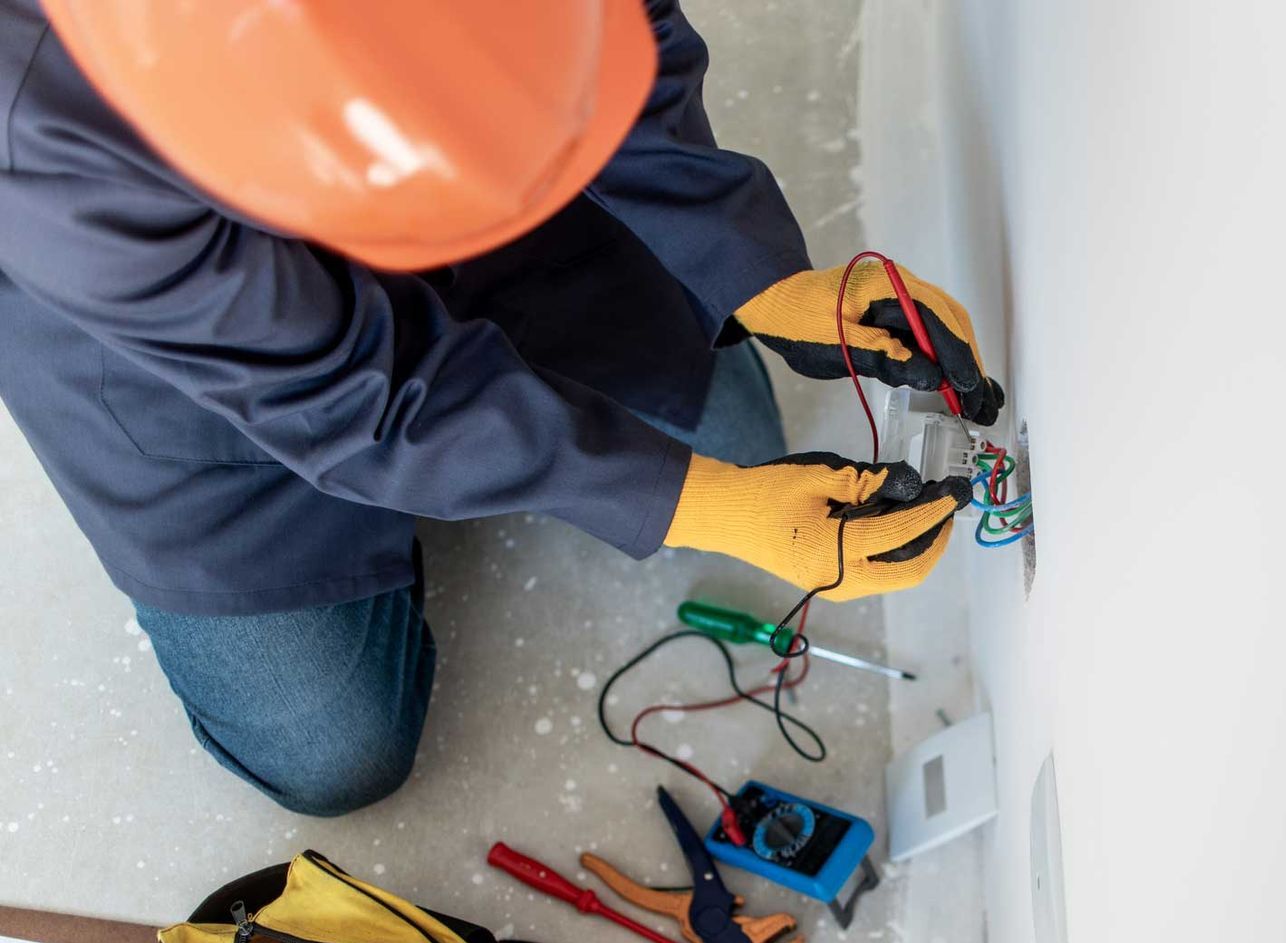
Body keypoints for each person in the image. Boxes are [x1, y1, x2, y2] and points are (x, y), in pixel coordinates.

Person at [0, 0, 1004, 816]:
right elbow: (349, 395)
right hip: (194, 380)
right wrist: (710, 507)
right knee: (335, 756)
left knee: (739, 435)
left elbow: (618, 35)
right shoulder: (37, 119)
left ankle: (496, 407)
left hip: (462, 196)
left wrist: (752, 274)